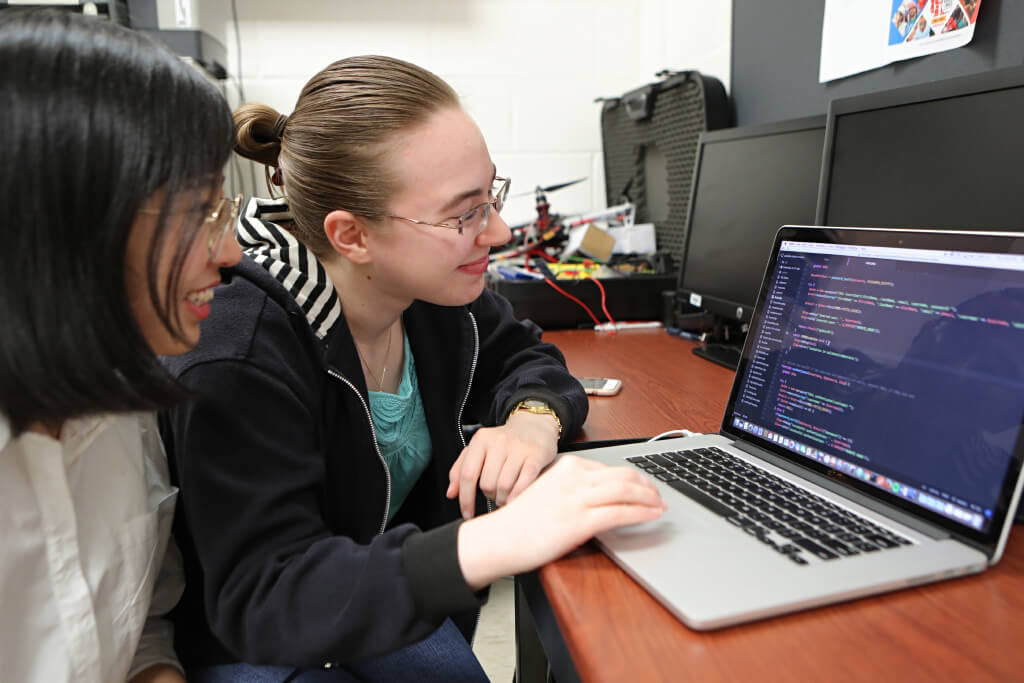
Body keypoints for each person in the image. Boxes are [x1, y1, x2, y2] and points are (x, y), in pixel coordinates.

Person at [158, 55, 666, 681]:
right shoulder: (239, 350)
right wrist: (495, 542)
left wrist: (532, 420)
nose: (499, 232)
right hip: (260, 633)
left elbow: (526, 355)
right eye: (465, 213)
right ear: (352, 236)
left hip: (371, 584)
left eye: (491, 197)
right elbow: (267, 595)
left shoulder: (433, 290)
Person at [0, 8, 242, 683]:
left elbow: (135, 634)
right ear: (65, 220)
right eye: (201, 213)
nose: (232, 251)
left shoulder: (123, 402)